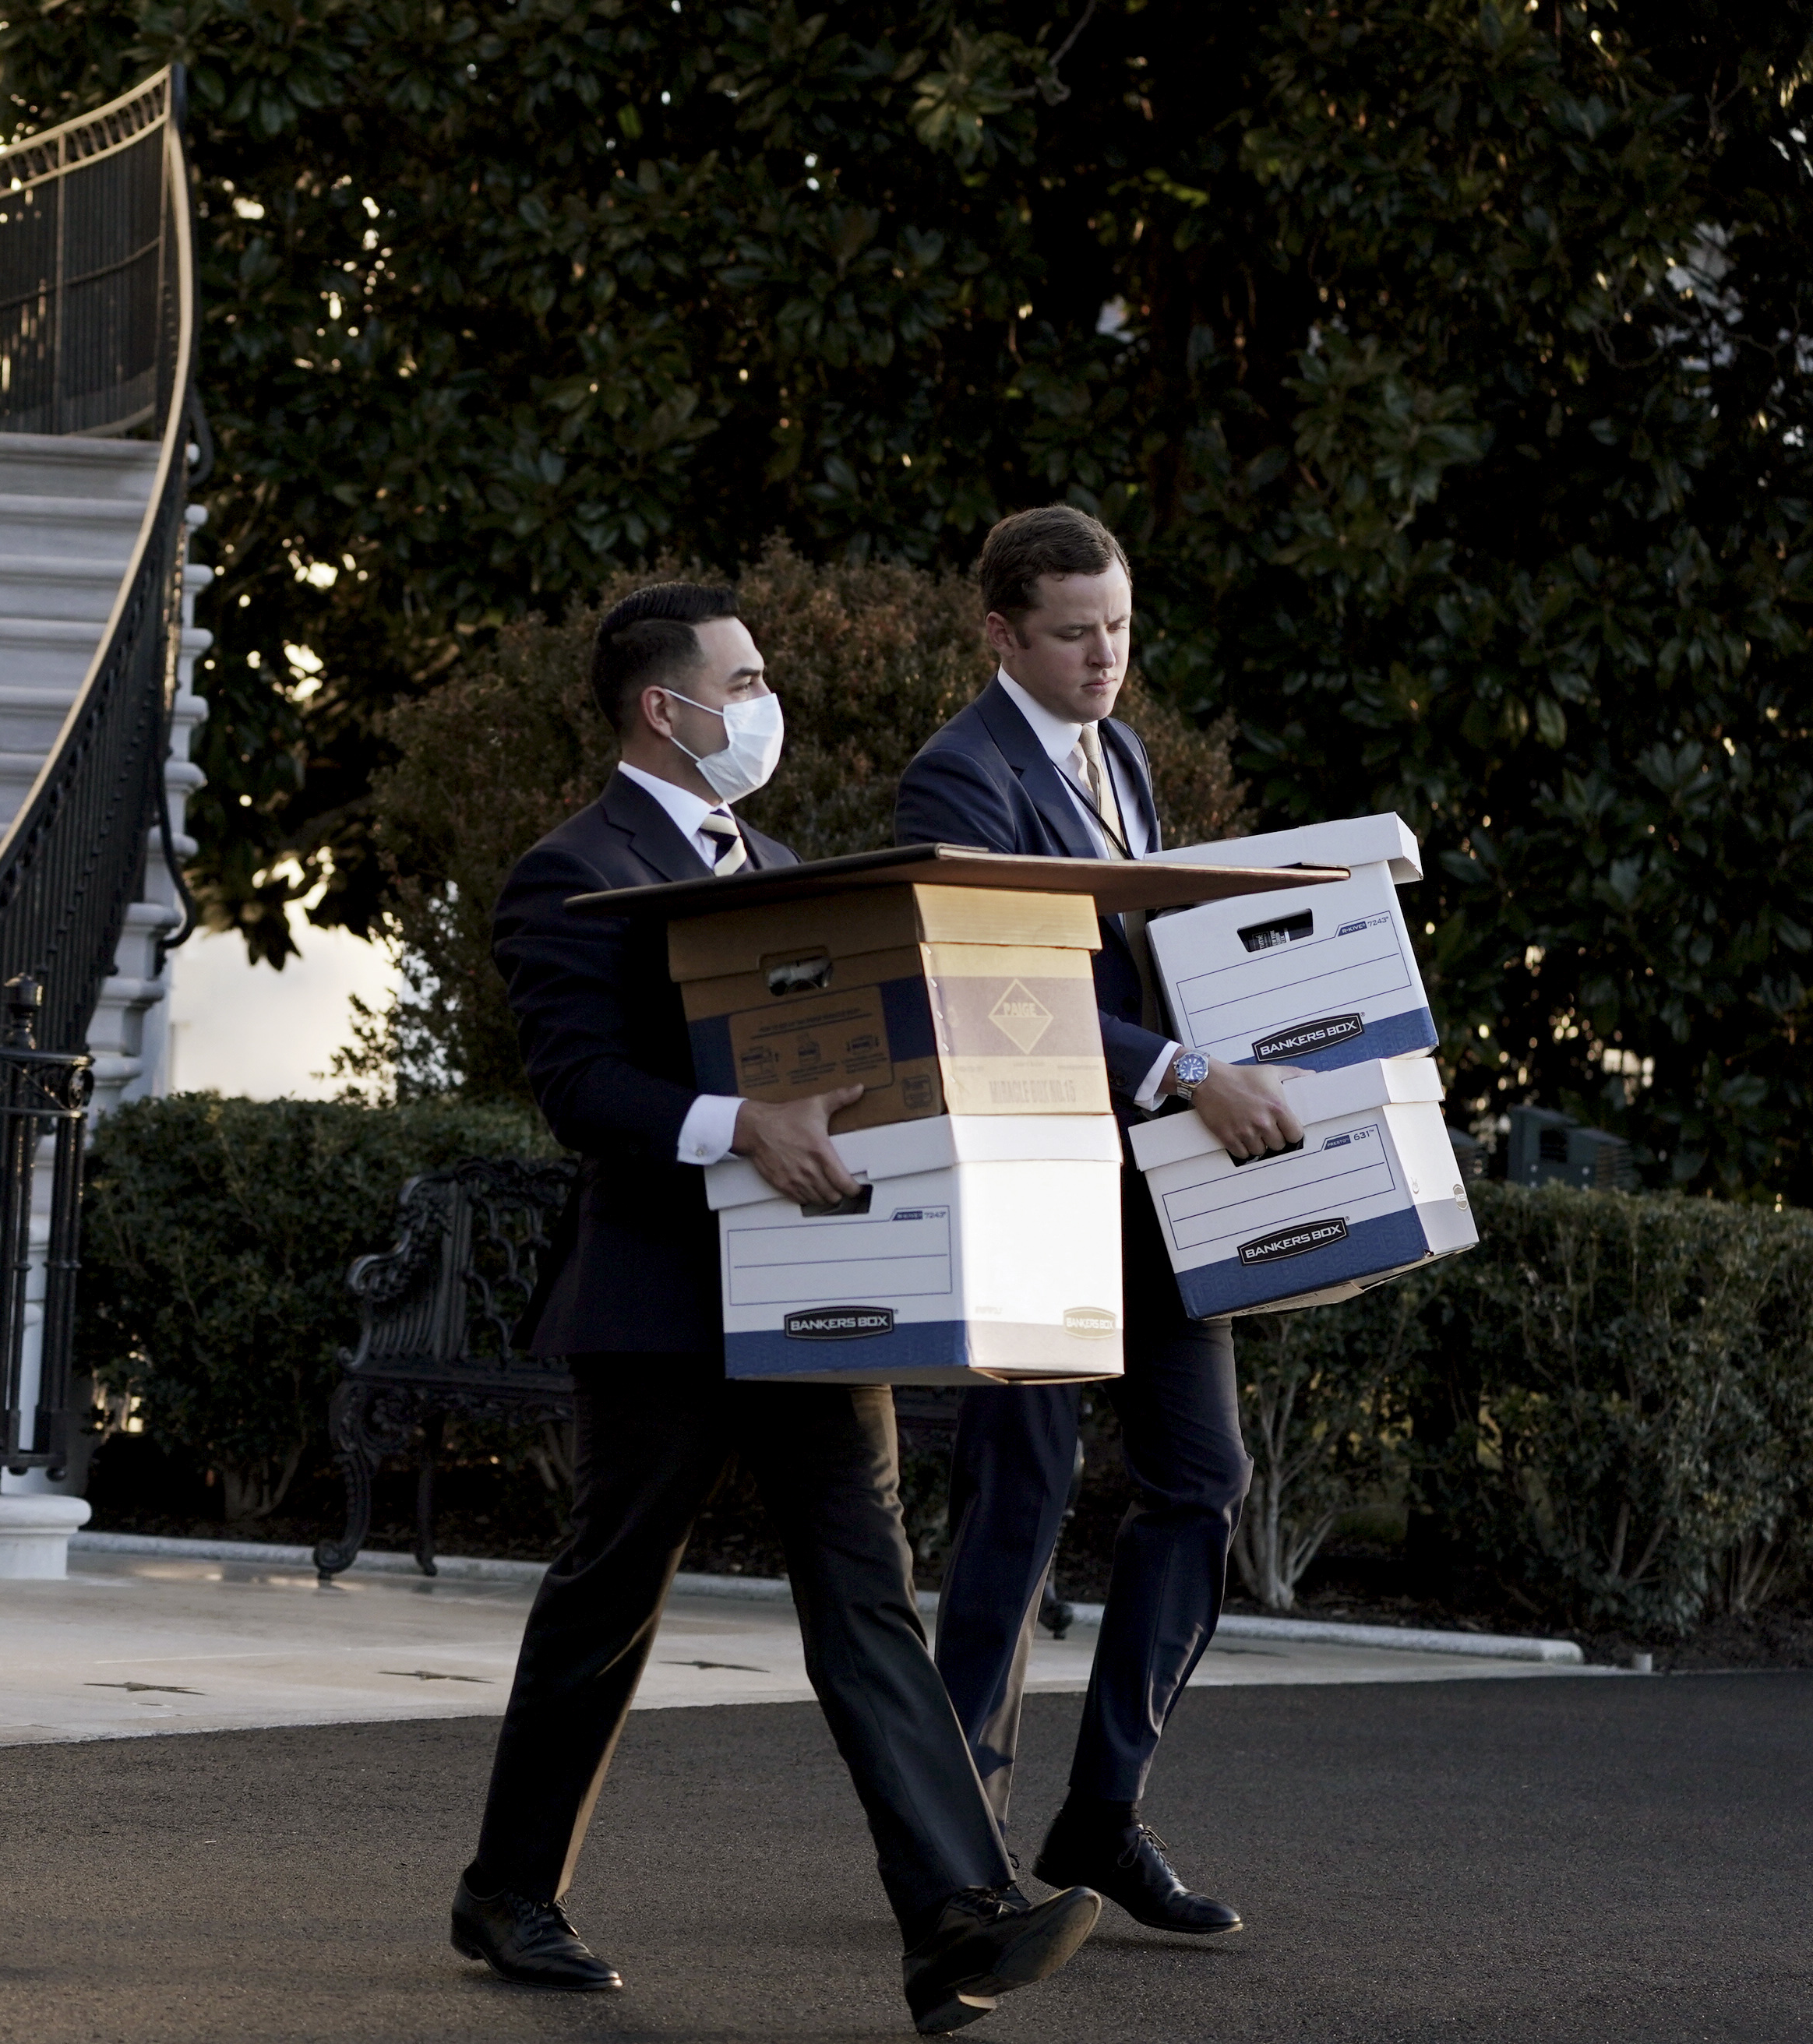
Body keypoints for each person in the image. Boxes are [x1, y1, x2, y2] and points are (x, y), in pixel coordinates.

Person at [453, 583, 1102, 2036]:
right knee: (609, 1596)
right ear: (660, 708)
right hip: (664, 1301)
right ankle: (508, 1889)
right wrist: (740, 1122)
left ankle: (955, 1918)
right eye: (741, 680)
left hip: (819, 1292)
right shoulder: (568, 870)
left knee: (867, 1592)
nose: (764, 701)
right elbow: (578, 1088)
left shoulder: (791, 867)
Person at [894, 507, 1305, 1933]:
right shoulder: (956, 774)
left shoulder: (1117, 752)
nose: (1104, 656)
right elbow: (1001, 987)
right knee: (1020, 1508)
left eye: (1119, 625)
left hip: (1157, 1191)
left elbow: (1140, 951)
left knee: (1204, 1481)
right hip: (1037, 1190)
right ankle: (952, 1850)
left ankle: (1102, 1814)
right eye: (1073, 630)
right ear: (999, 630)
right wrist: (1188, 1068)